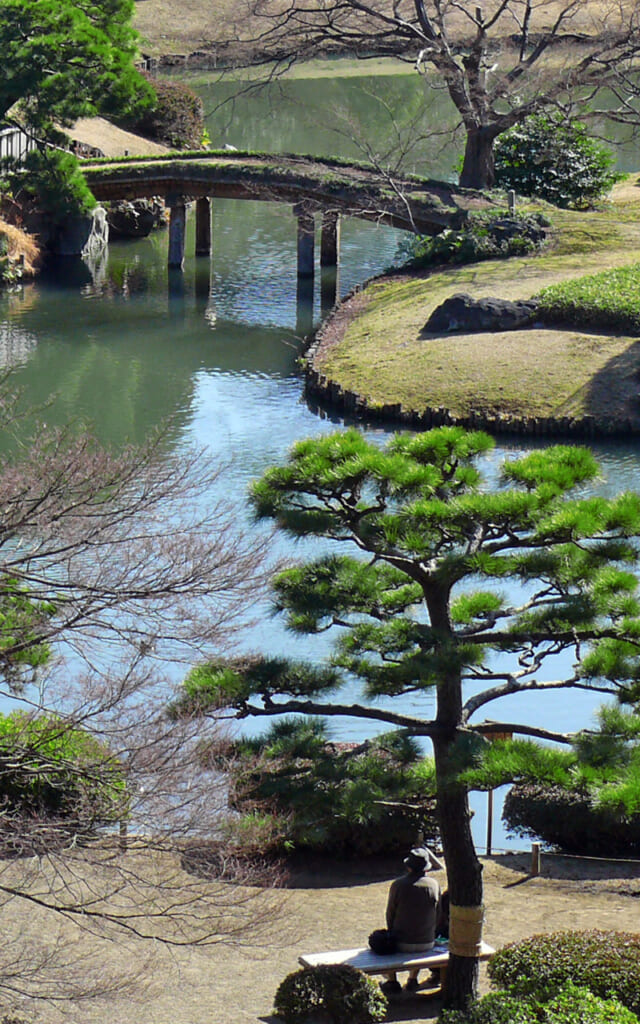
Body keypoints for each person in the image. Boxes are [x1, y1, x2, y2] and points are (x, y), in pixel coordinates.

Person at [381, 845, 443, 995]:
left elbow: (390, 914)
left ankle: (392, 981)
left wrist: (391, 932)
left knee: (382, 940)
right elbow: (439, 914)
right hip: (427, 942)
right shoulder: (434, 885)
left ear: (408, 867)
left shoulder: (398, 885)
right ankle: (412, 979)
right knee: (419, 931)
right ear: (426, 868)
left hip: (402, 943)